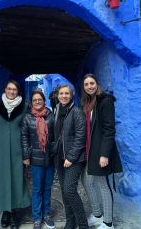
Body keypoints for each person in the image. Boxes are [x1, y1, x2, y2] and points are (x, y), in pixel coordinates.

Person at [81, 74, 122, 229]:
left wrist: (104, 154)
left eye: (92, 83)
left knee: (102, 183)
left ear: (97, 84)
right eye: (86, 84)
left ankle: (108, 223)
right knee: (87, 181)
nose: (90, 86)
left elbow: (109, 129)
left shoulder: (105, 101)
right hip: (90, 150)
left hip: (100, 151)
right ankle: (98, 215)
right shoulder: (88, 102)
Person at [0, 80, 30, 229]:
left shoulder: (24, 107)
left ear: (18, 92)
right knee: (2, 180)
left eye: (14, 89)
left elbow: (27, 128)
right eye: (9, 89)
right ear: (5, 89)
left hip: (18, 149)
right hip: (1, 149)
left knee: (17, 178)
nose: (11, 92)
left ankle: (15, 209)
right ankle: (6, 212)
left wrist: (27, 150)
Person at [54, 84, 88, 229]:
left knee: (69, 190)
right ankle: (70, 221)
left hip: (74, 159)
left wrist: (71, 157)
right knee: (64, 190)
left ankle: (83, 224)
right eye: (61, 93)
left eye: (67, 93)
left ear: (72, 95)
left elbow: (80, 137)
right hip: (60, 158)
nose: (64, 96)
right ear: (57, 95)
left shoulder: (76, 112)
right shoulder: (56, 111)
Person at [21, 90, 55, 229]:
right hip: (35, 159)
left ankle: (46, 214)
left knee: (47, 187)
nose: (37, 101)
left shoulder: (51, 116)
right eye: (34, 100)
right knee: (36, 189)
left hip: (50, 158)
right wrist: (26, 156)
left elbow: (56, 134)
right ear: (31, 103)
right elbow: (24, 137)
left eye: (39, 99)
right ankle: (36, 217)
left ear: (44, 100)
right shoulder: (27, 118)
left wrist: (54, 148)